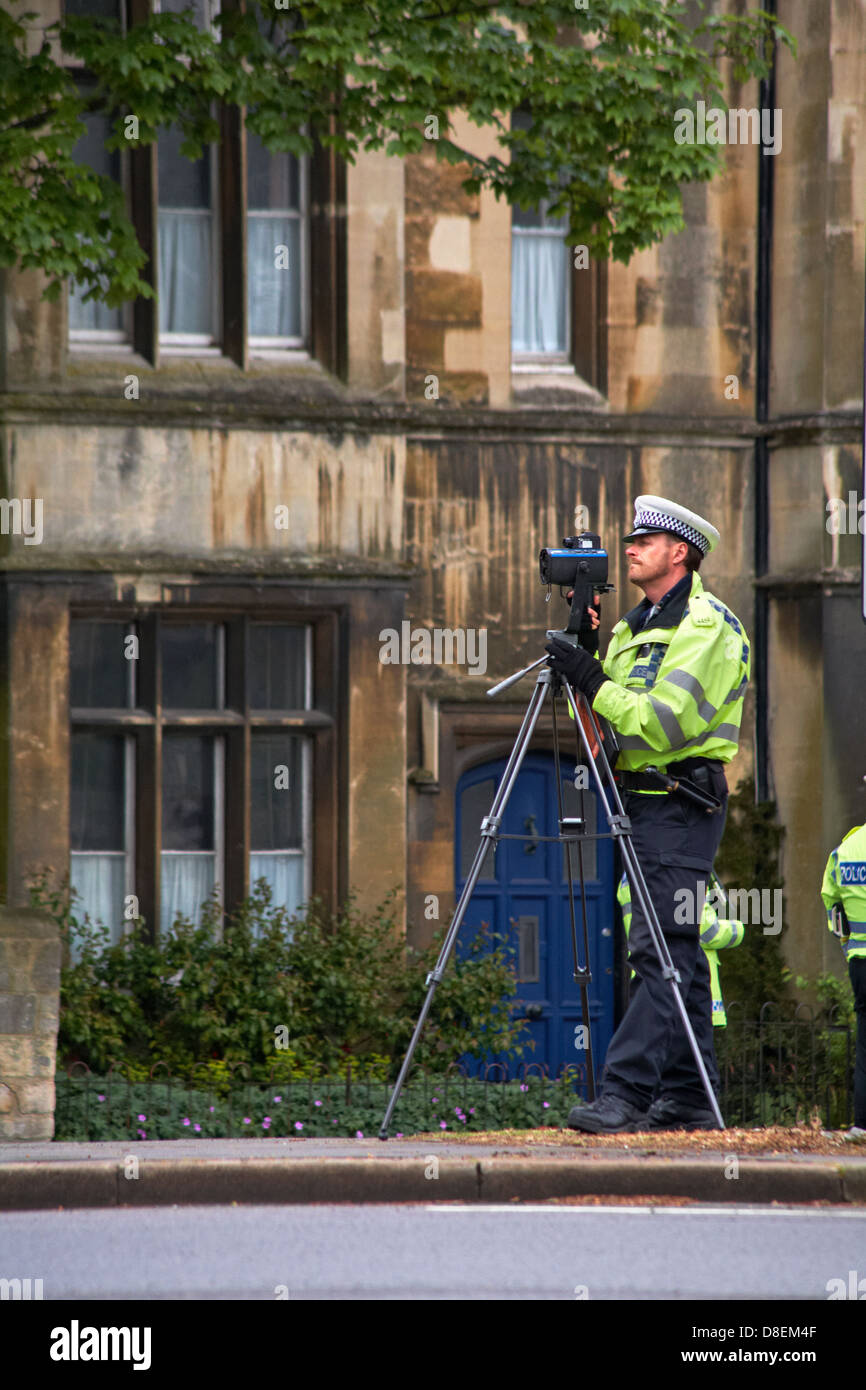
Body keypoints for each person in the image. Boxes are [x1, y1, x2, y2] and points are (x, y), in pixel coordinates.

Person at [545, 495, 750, 1132]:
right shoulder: (636, 627)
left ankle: (626, 1094)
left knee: (658, 946)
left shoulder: (707, 626)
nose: (629, 549)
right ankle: (690, 1098)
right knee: (674, 946)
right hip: (641, 801)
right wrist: (585, 651)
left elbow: (664, 722)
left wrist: (593, 678)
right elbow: (605, 724)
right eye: (630, 541)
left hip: (681, 801)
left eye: (644, 541)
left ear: (680, 552)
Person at [618, 872, 745, 1030]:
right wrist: (738, 929)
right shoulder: (679, 871)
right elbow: (708, 932)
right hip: (689, 985)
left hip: (649, 978)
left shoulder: (632, 874)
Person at [820, 822, 866, 1141]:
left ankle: (862, 1124)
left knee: (865, 1044)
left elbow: (831, 901)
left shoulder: (847, 847)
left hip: (861, 961)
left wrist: (847, 943)